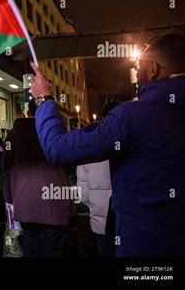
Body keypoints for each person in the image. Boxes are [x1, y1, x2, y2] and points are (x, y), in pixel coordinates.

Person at [30, 33, 185, 257]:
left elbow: (57, 148)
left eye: (138, 65)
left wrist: (44, 99)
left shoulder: (132, 118)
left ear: (153, 69)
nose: (137, 72)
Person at [2, 100, 73, 257]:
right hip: (54, 200)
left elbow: (6, 171)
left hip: (25, 201)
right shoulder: (56, 131)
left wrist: (11, 201)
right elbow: (70, 165)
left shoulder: (12, 136)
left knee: (30, 249)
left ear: (28, 112)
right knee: (54, 250)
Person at [76, 101, 120, 257]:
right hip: (129, 221)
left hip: (100, 220)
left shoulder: (89, 144)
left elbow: (82, 192)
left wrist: (95, 205)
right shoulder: (133, 140)